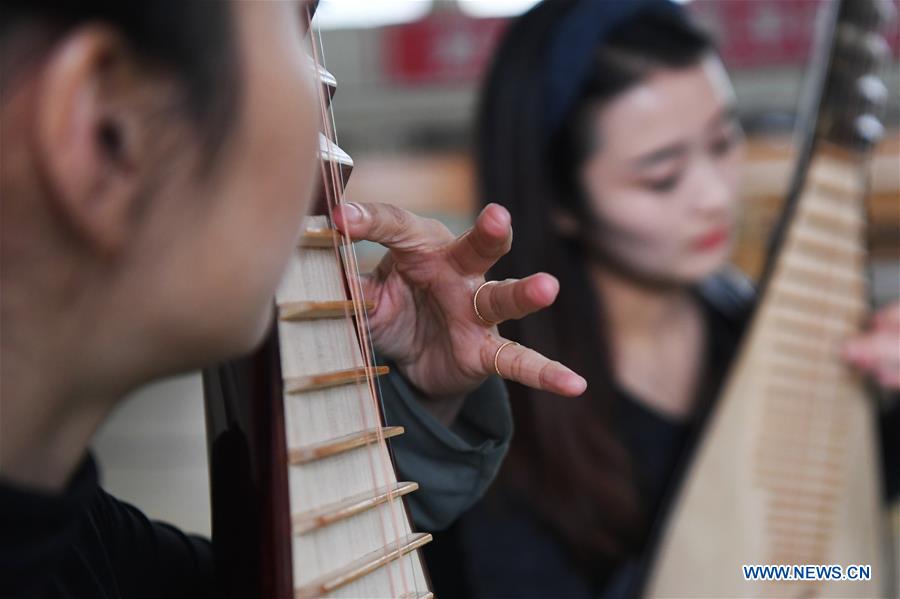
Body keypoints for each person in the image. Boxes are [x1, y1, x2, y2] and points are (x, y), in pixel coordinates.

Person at [0, 1, 589, 597]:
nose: (323, 116)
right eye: (293, 33)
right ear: (104, 133)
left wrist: (418, 402)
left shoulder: (84, 543)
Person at [423, 1, 900, 597]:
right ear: (560, 202)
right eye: (662, 175)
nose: (713, 195)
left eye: (725, 141)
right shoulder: (498, 417)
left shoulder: (752, 335)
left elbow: (823, 566)